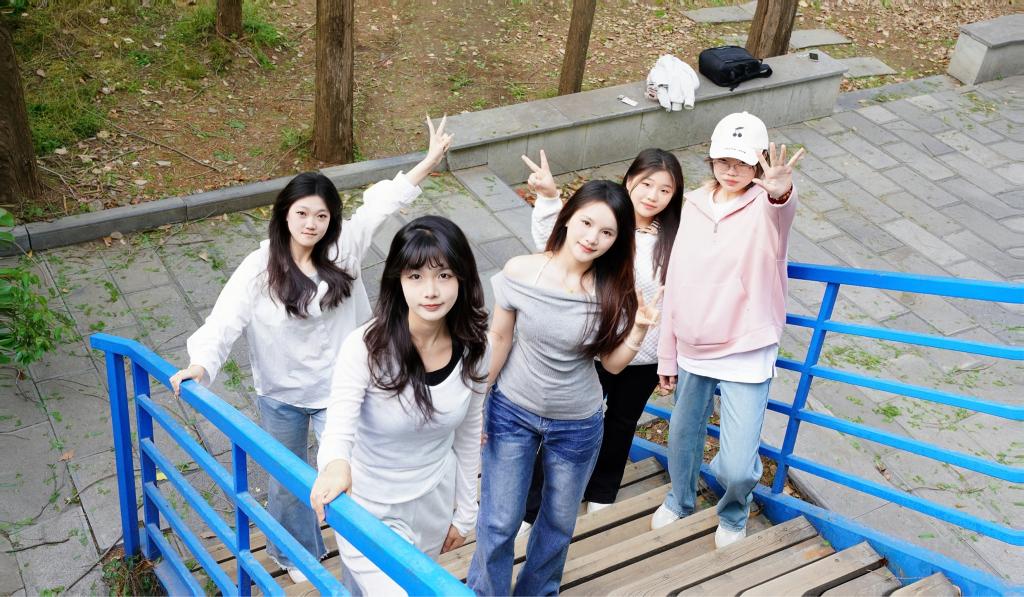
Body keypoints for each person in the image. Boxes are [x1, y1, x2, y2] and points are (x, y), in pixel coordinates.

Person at [168, 116, 453, 583]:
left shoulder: (344, 249)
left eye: (321, 216)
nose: (312, 224)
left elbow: (382, 204)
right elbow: (224, 320)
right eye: (302, 213)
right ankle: (296, 554)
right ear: (285, 214)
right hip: (281, 393)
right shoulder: (259, 267)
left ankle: (366, 559)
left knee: (353, 476)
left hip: (341, 391)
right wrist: (200, 365)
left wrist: (426, 162)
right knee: (285, 482)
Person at [467, 180, 661, 596]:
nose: (592, 238)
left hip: (577, 422)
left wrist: (638, 331)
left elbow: (611, 364)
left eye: (607, 232)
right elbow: (499, 338)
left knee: (556, 524)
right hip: (512, 410)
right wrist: (477, 403)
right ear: (568, 217)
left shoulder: (614, 291)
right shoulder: (521, 271)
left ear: (617, 240)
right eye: (587, 223)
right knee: (499, 520)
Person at [309, 215, 489, 595]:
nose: (431, 291)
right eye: (416, 276)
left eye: (444, 275)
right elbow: (339, 424)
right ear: (398, 280)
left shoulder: (474, 347)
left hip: (433, 503)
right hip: (371, 507)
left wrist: (466, 512)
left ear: (462, 278)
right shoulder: (366, 348)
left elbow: (469, 433)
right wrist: (335, 465)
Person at [652, 112, 806, 549]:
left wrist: (781, 192)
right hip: (693, 342)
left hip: (746, 344)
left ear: (758, 164)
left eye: (742, 162)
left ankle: (734, 512)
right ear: (712, 159)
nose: (732, 170)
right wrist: (667, 353)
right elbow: (675, 280)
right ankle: (680, 500)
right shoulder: (694, 204)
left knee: (737, 464)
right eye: (724, 160)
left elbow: (781, 213)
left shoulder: (766, 205)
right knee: (682, 437)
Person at [516, 148, 683, 535]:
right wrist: (548, 198)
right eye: (646, 184)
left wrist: (669, 357)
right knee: (565, 422)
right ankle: (531, 507)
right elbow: (556, 246)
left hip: (644, 354)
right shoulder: (609, 223)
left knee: (622, 423)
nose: (653, 196)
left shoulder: (675, 239)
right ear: (630, 180)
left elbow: (679, 302)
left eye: (665, 190)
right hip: (594, 346)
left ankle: (603, 492)